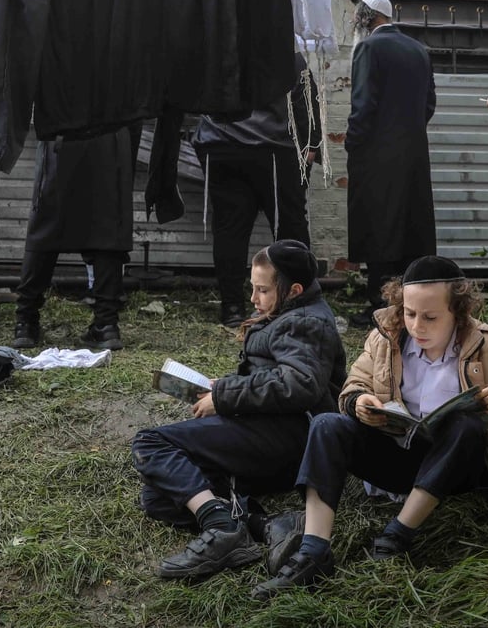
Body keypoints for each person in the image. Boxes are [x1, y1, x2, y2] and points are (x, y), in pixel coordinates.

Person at [252, 255, 488, 600]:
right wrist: (360, 403)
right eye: (409, 313)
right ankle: (313, 551)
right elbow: (353, 386)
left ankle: (397, 535)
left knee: (467, 424)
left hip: (458, 468)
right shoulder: (384, 338)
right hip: (398, 455)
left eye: (431, 317)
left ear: (459, 310)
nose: (417, 326)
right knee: (326, 425)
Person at [131, 240, 346, 580]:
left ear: (294, 289)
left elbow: (300, 385)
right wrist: (219, 386)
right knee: (159, 496)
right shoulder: (288, 312)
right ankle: (266, 525)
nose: (253, 299)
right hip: (267, 429)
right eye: (252, 288)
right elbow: (273, 375)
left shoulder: (306, 322)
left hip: (290, 438)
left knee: (151, 443)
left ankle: (221, 527)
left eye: (262, 290)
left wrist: (224, 396)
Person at [191, 51, 321, 327]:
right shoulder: (288, 55)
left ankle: (232, 309)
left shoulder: (217, 51)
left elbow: (192, 94)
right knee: (290, 229)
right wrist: (310, 150)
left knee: (229, 230)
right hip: (274, 149)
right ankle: (295, 304)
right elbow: (306, 103)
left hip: (221, 146)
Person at [344, 0, 437, 327]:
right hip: (413, 155)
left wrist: (353, 145)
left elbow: (363, 106)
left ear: (366, 18)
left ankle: (379, 308)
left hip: (376, 158)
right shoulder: (418, 50)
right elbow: (429, 104)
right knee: (408, 231)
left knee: (378, 229)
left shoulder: (369, 49)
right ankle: (409, 308)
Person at [12, 125, 138, 351]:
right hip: (111, 134)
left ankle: (25, 322)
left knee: (45, 226)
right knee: (107, 230)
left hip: (61, 132)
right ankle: (107, 325)